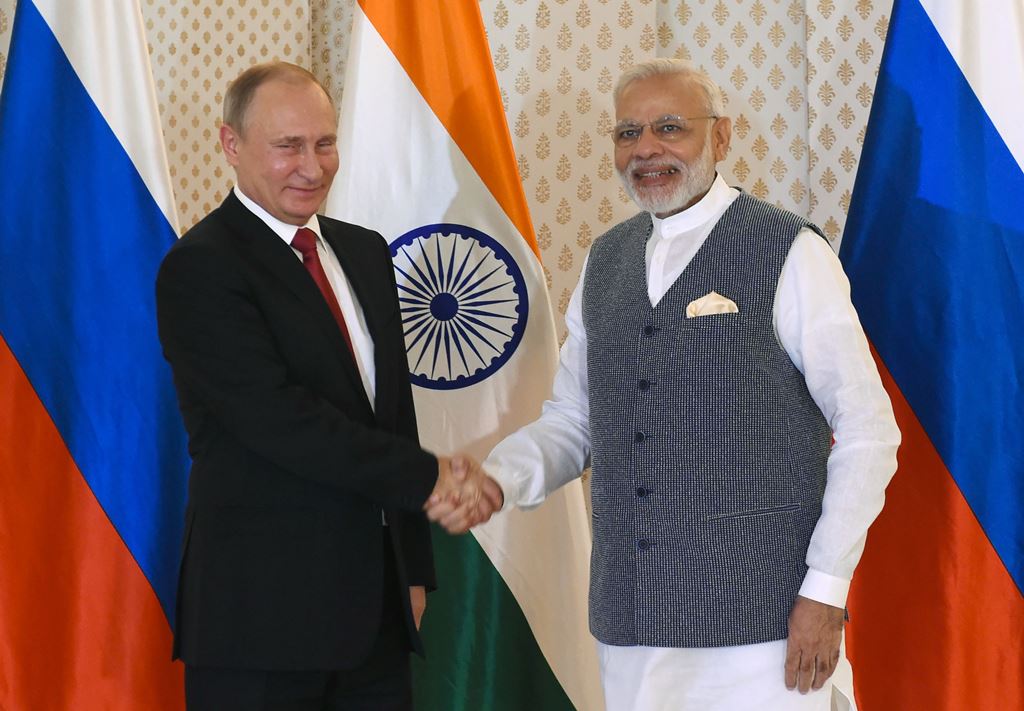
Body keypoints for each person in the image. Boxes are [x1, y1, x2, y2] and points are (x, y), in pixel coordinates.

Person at [431, 58, 901, 710]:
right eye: (628, 133)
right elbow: (574, 419)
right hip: (631, 625)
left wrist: (824, 590)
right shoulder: (606, 260)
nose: (646, 149)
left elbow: (869, 429)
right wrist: (497, 479)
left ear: (722, 137)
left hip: (763, 630)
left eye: (670, 127)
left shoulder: (789, 250)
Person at [156, 61, 486, 711]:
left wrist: (413, 569)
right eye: (288, 146)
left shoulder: (365, 252)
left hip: (377, 619)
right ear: (231, 144)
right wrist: (431, 477)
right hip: (259, 624)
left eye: (325, 143)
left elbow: (394, 414)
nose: (313, 165)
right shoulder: (200, 268)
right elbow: (281, 421)